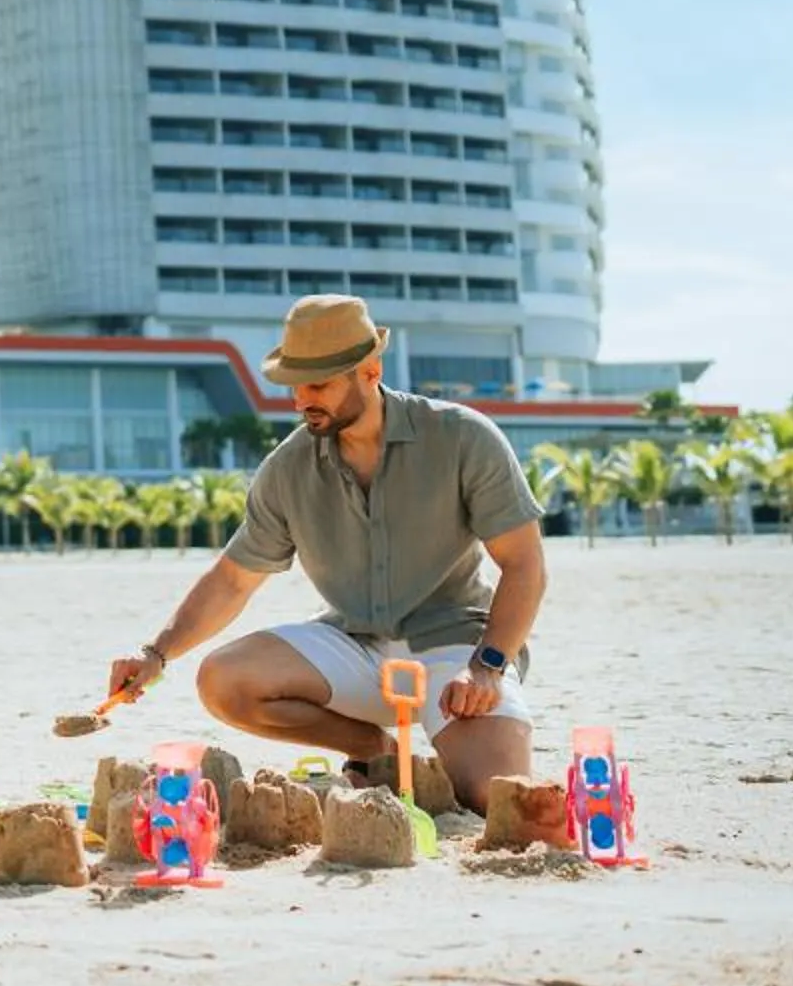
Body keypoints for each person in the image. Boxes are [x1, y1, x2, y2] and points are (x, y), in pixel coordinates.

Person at [102, 295, 547, 803]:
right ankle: (372, 747)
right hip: (352, 644)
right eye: (294, 386)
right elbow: (232, 580)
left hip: (455, 647)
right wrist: (156, 654)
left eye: (318, 385)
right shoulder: (287, 468)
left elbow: (524, 564)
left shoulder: (463, 437)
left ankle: (446, 748)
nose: (299, 401)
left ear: (370, 371)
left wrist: (486, 666)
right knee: (224, 679)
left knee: (497, 796)